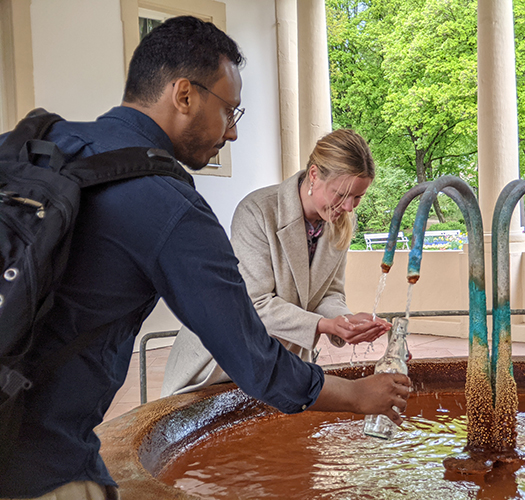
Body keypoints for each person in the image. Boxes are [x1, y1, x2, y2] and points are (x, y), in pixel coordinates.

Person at [0, 16, 410, 500]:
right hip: (38, 459)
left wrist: (336, 322)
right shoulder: (171, 206)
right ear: (184, 95)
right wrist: (357, 394)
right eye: (230, 110)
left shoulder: (39, 147)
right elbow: (253, 357)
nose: (232, 133)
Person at [162, 129, 391, 396]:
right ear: (314, 175)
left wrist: (345, 320)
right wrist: (324, 325)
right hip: (222, 361)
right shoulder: (257, 210)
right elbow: (254, 304)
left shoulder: (339, 222)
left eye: (358, 197)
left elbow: (328, 293)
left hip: (282, 362)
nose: (350, 207)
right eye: (341, 194)